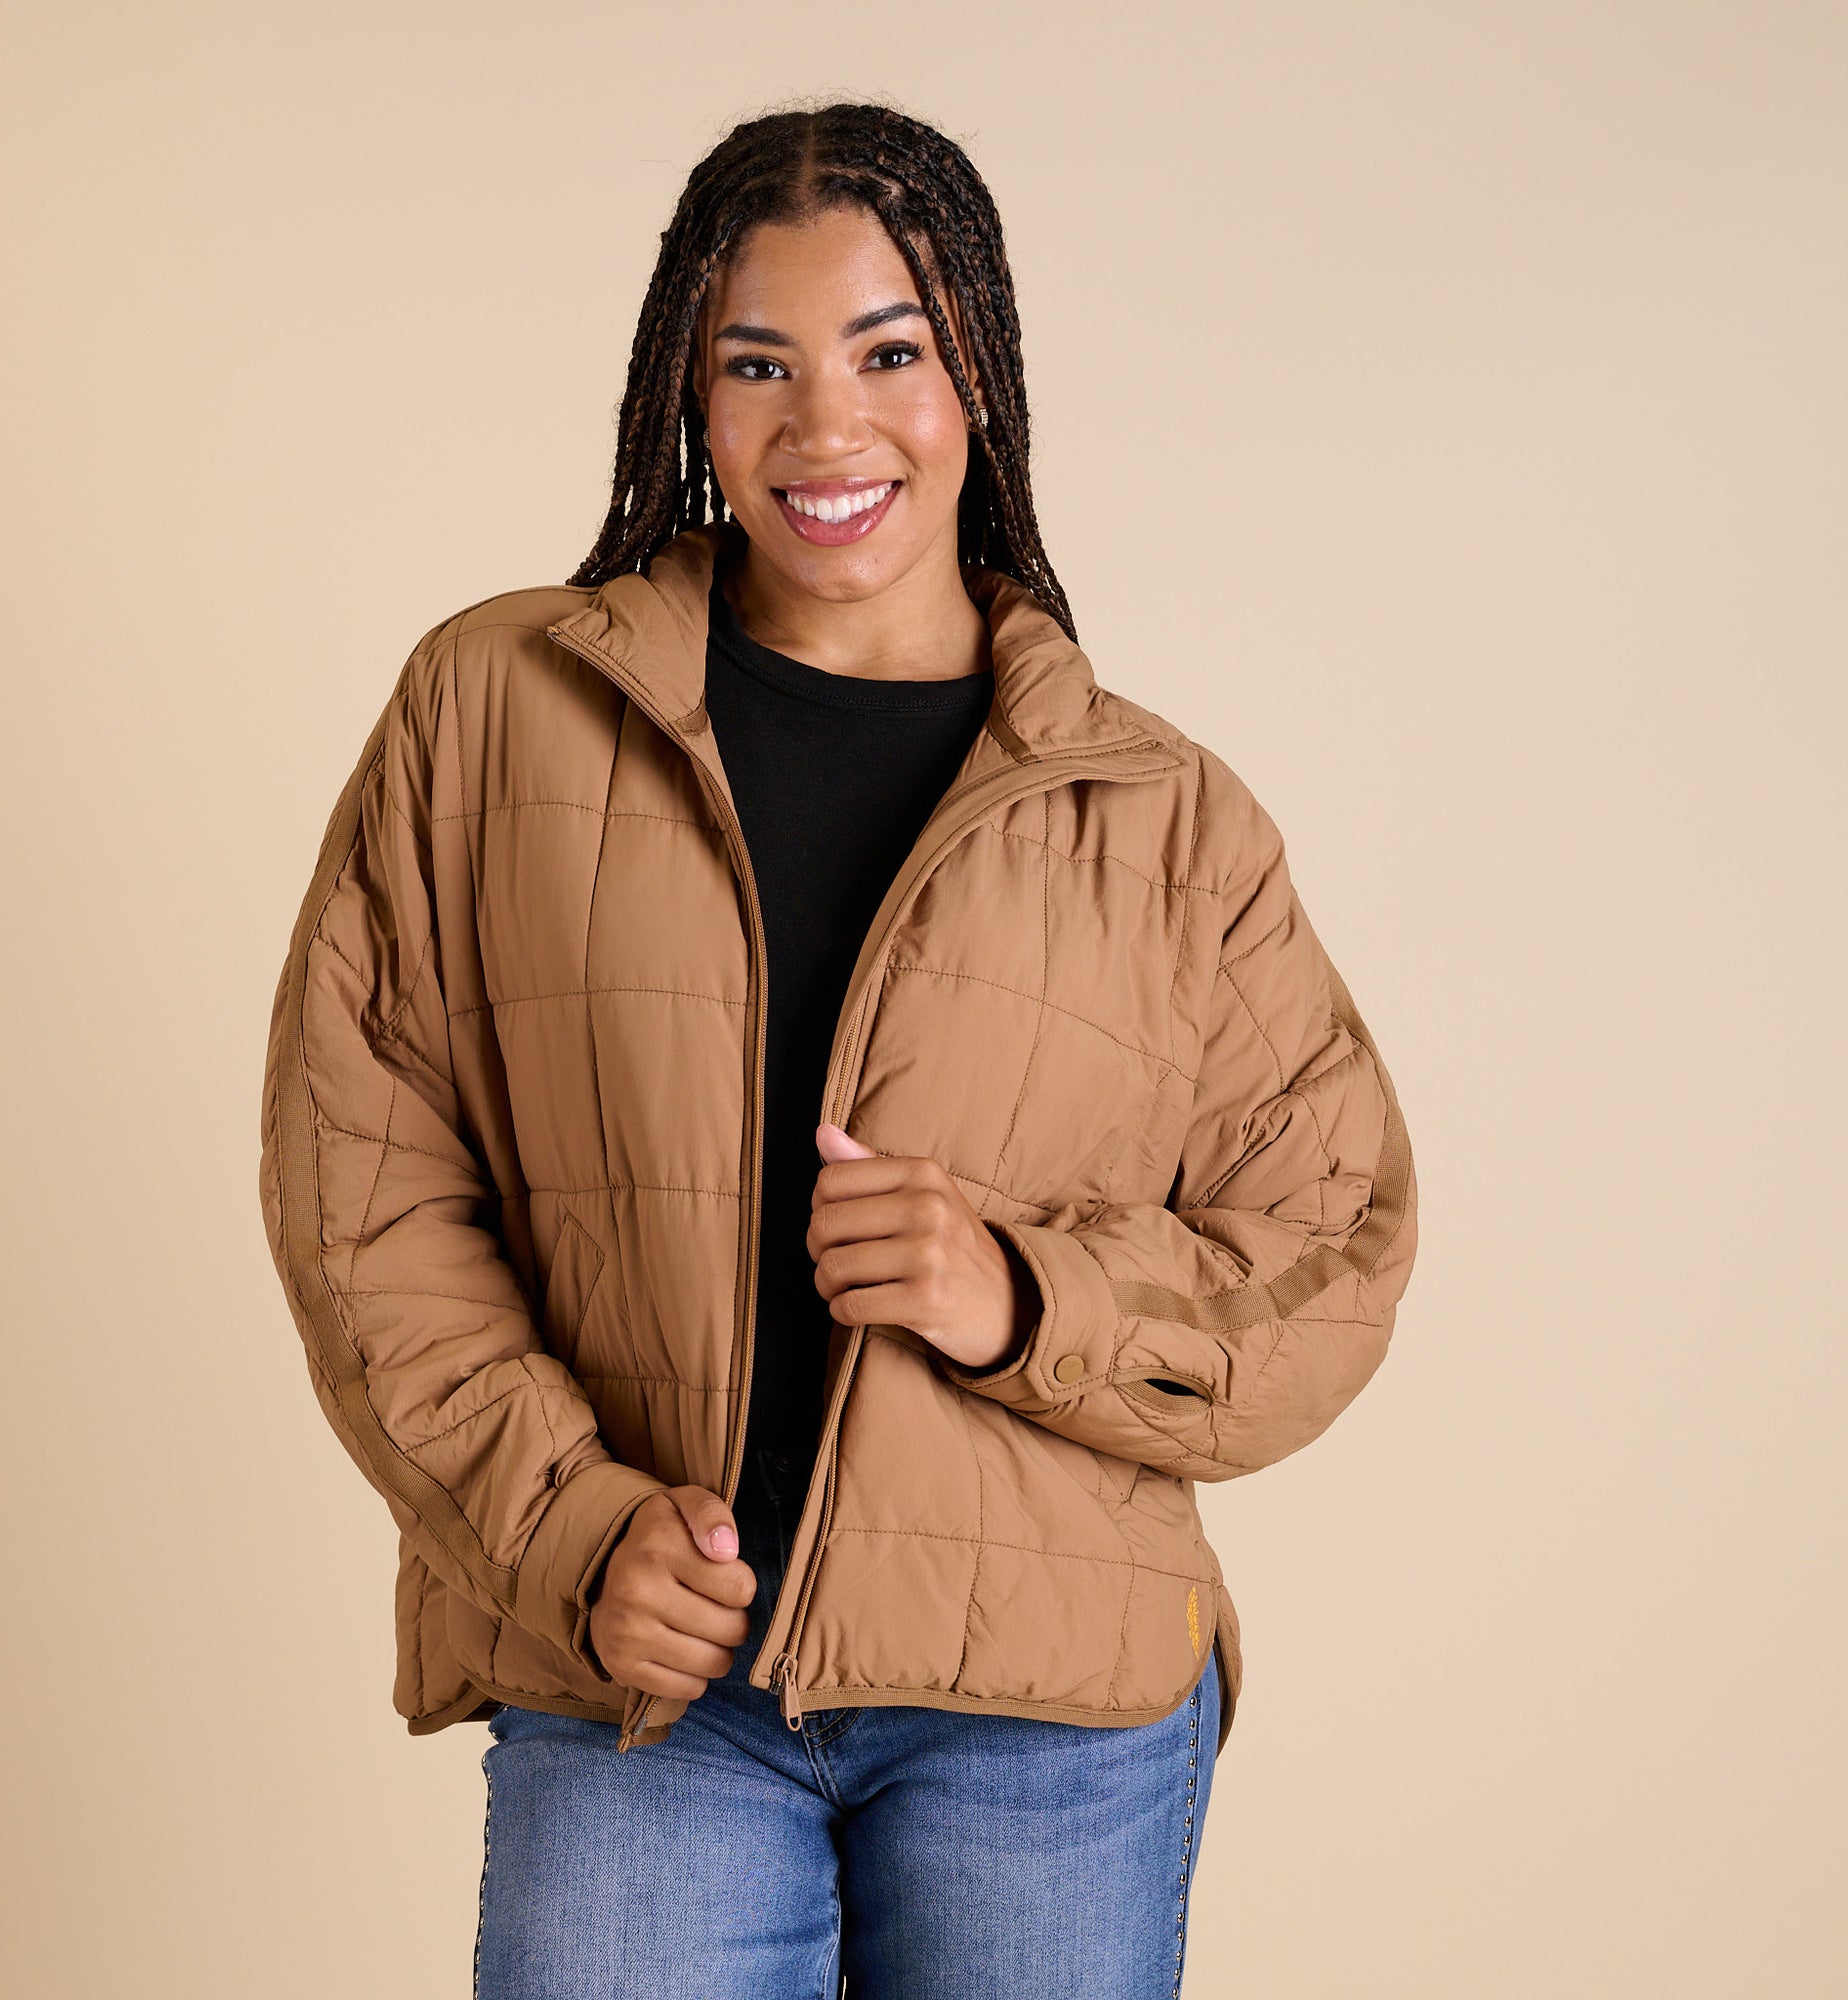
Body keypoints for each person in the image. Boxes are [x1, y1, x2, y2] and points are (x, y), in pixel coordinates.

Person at [258, 99, 1418, 2000]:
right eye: (759, 365)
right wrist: (568, 1525)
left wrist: (1026, 1292)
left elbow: (1334, 1250)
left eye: (891, 353)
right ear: (687, 400)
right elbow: (361, 1182)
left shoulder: (1165, 819)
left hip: (1048, 1713)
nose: (829, 429)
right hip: (653, 1675)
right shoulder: (496, 716)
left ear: (979, 380)